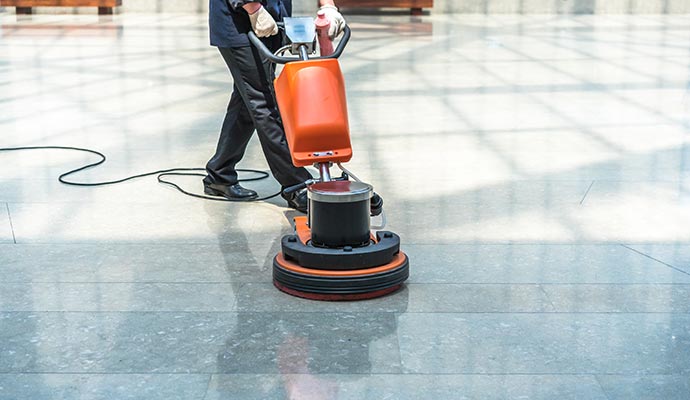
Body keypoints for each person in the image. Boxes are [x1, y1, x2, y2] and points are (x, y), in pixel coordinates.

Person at [205, 0, 345, 213]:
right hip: (240, 23)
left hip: (271, 19)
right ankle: (296, 184)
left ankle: (220, 173)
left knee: (248, 99)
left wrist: (328, 7)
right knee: (264, 102)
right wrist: (253, 7)